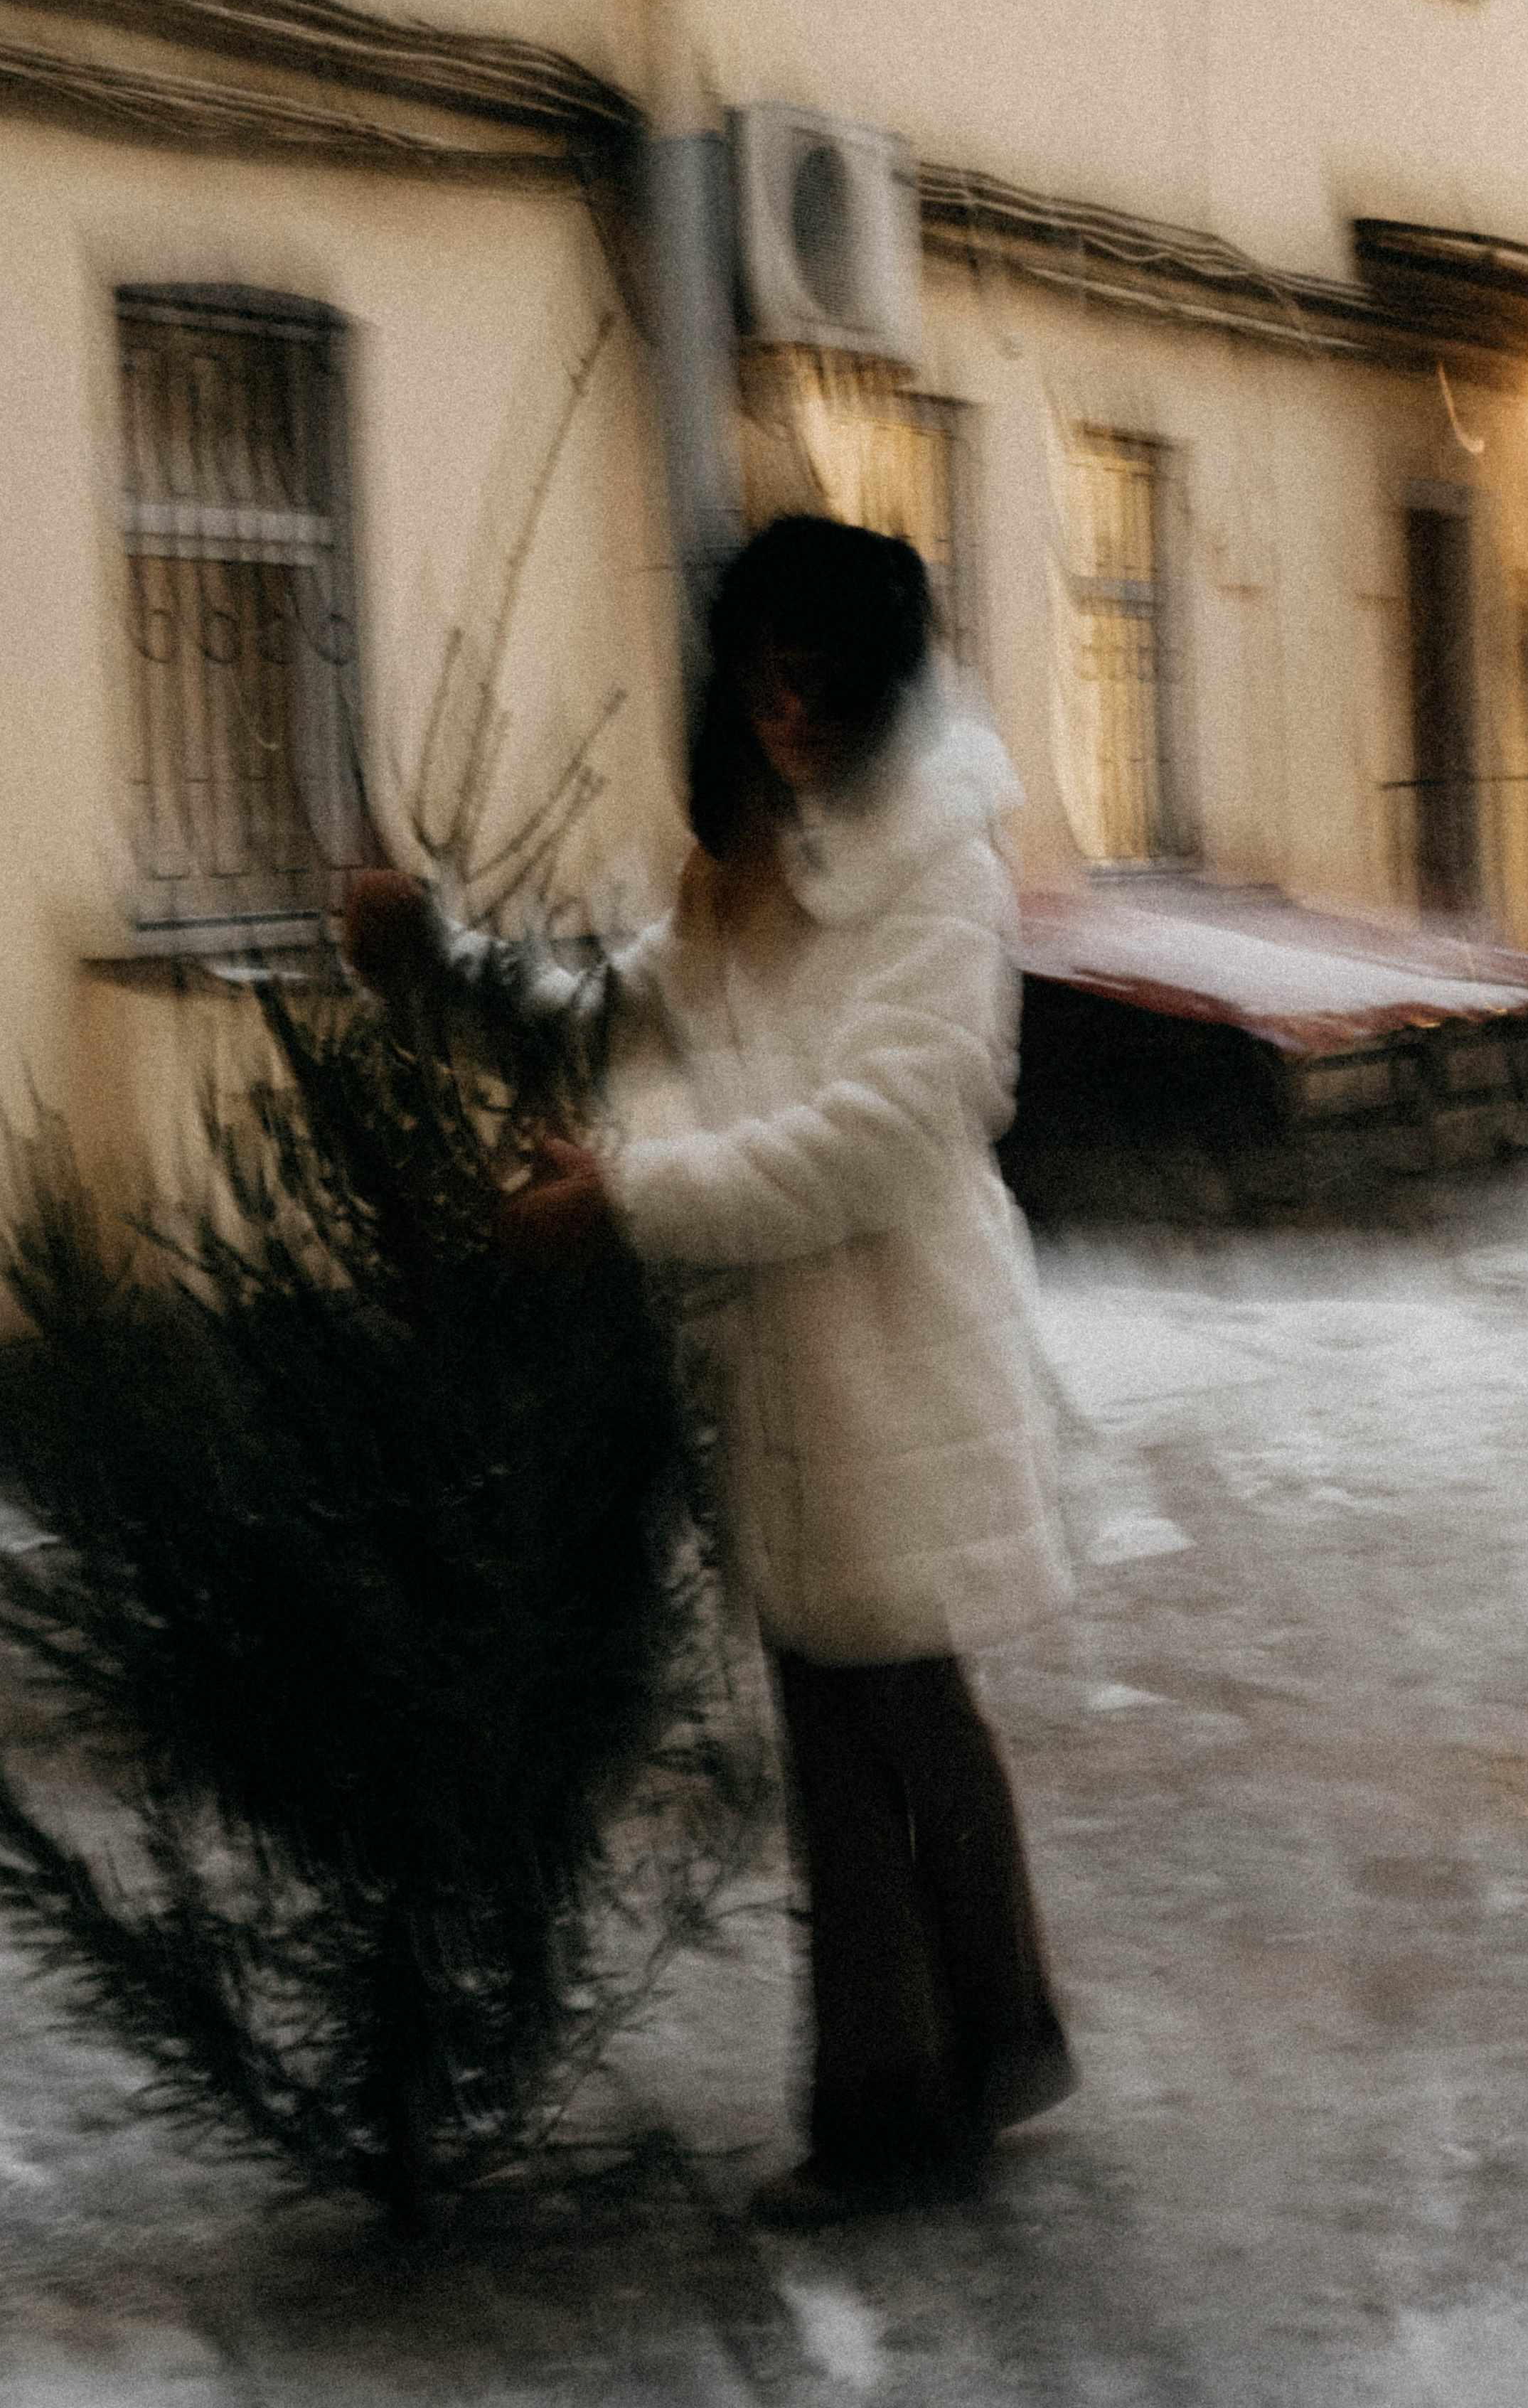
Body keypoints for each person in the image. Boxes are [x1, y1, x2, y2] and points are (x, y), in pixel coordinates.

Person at [343, 515, 1075, 2225]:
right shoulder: (751, 867)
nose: (786, 708)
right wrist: (432, 965)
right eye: (763, 671)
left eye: (821, 677)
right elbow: (607, 1013)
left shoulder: (935, 866)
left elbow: (883, 1137)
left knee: (866, 1725)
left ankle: (891, 2120)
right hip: (799, 1384)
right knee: (899, 1712)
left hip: (890, 1370)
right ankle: (1001, 2041)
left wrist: (628, 1202)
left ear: (885, 680)